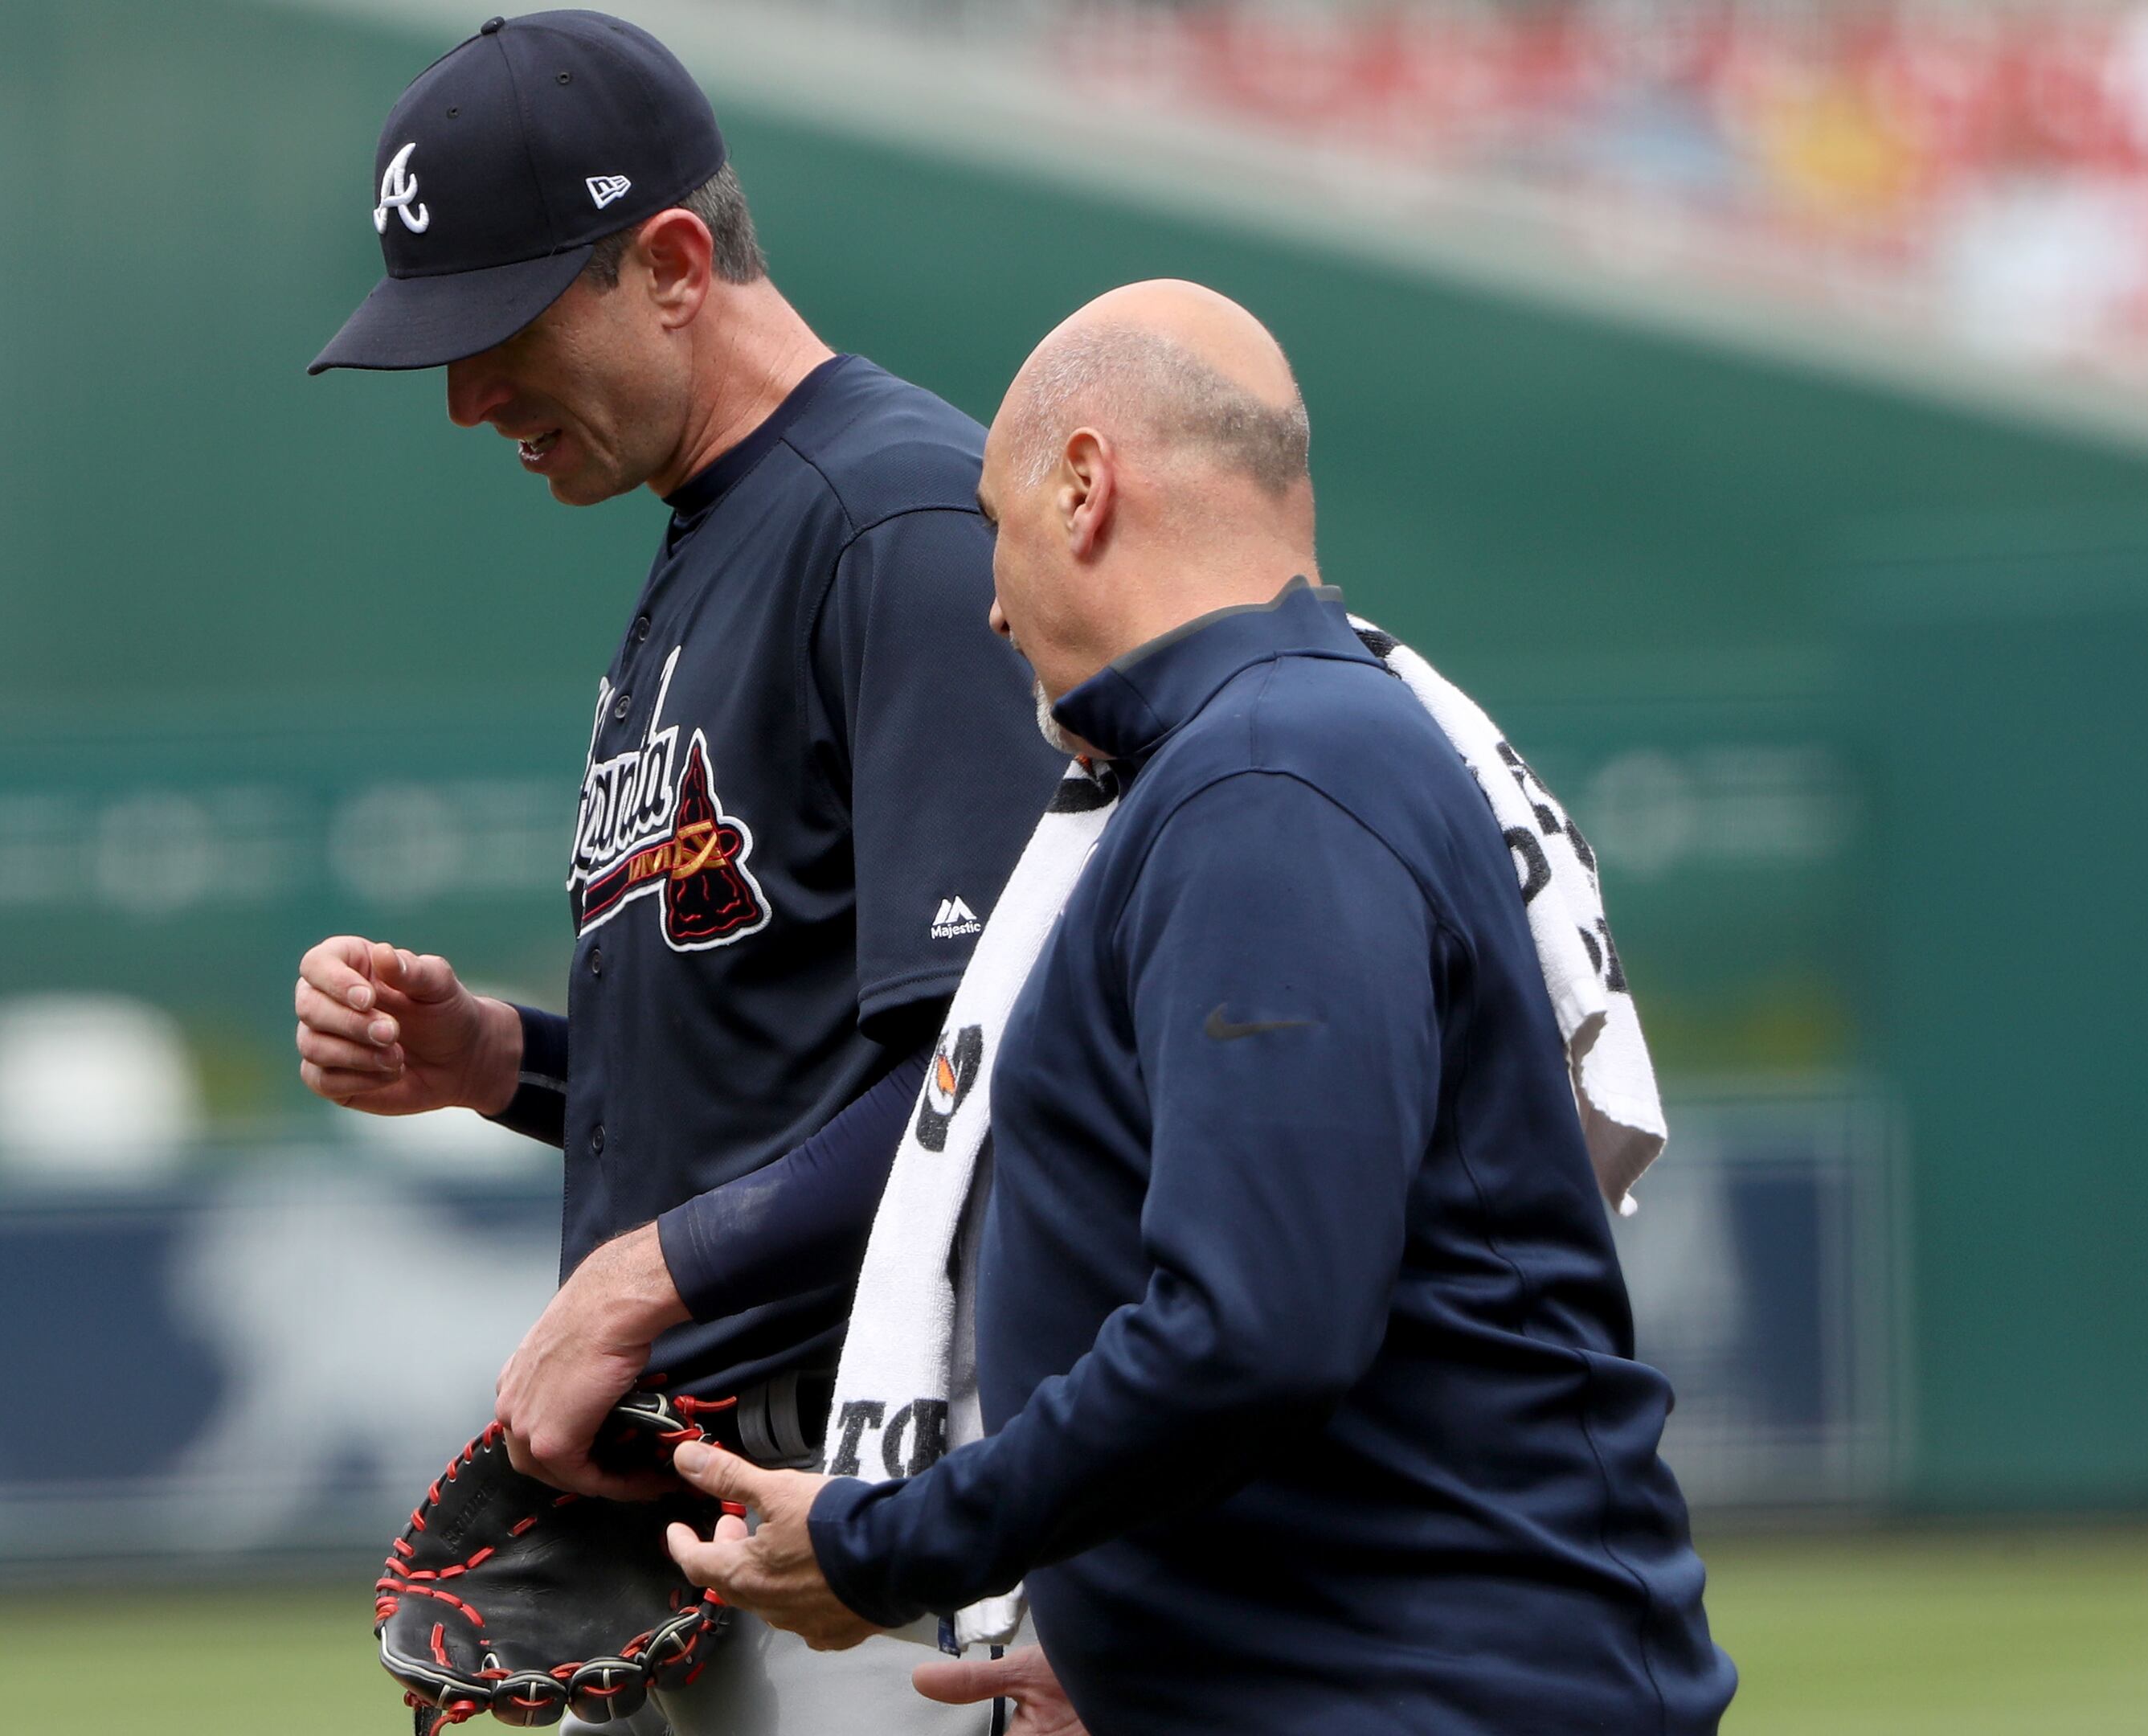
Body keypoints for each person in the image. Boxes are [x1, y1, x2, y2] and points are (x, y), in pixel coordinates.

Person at [665, 280, 1739, 1734]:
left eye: (996, 522)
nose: (987, 600)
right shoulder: (1276, 749)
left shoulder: (1266, 777)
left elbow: (1255, 1331)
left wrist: (881, 1545)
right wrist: (1143, 1657)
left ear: (1086, 487)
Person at [293, 12, 1065, 1732]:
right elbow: (777, 1071)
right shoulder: (717, 535)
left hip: (880, 1499)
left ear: (672, 262)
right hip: (721, 1509)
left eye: (496, 327)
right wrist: (500, 1061)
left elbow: (1002, 1074)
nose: (465, 395)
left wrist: (643, 1283)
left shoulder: (898, 524)